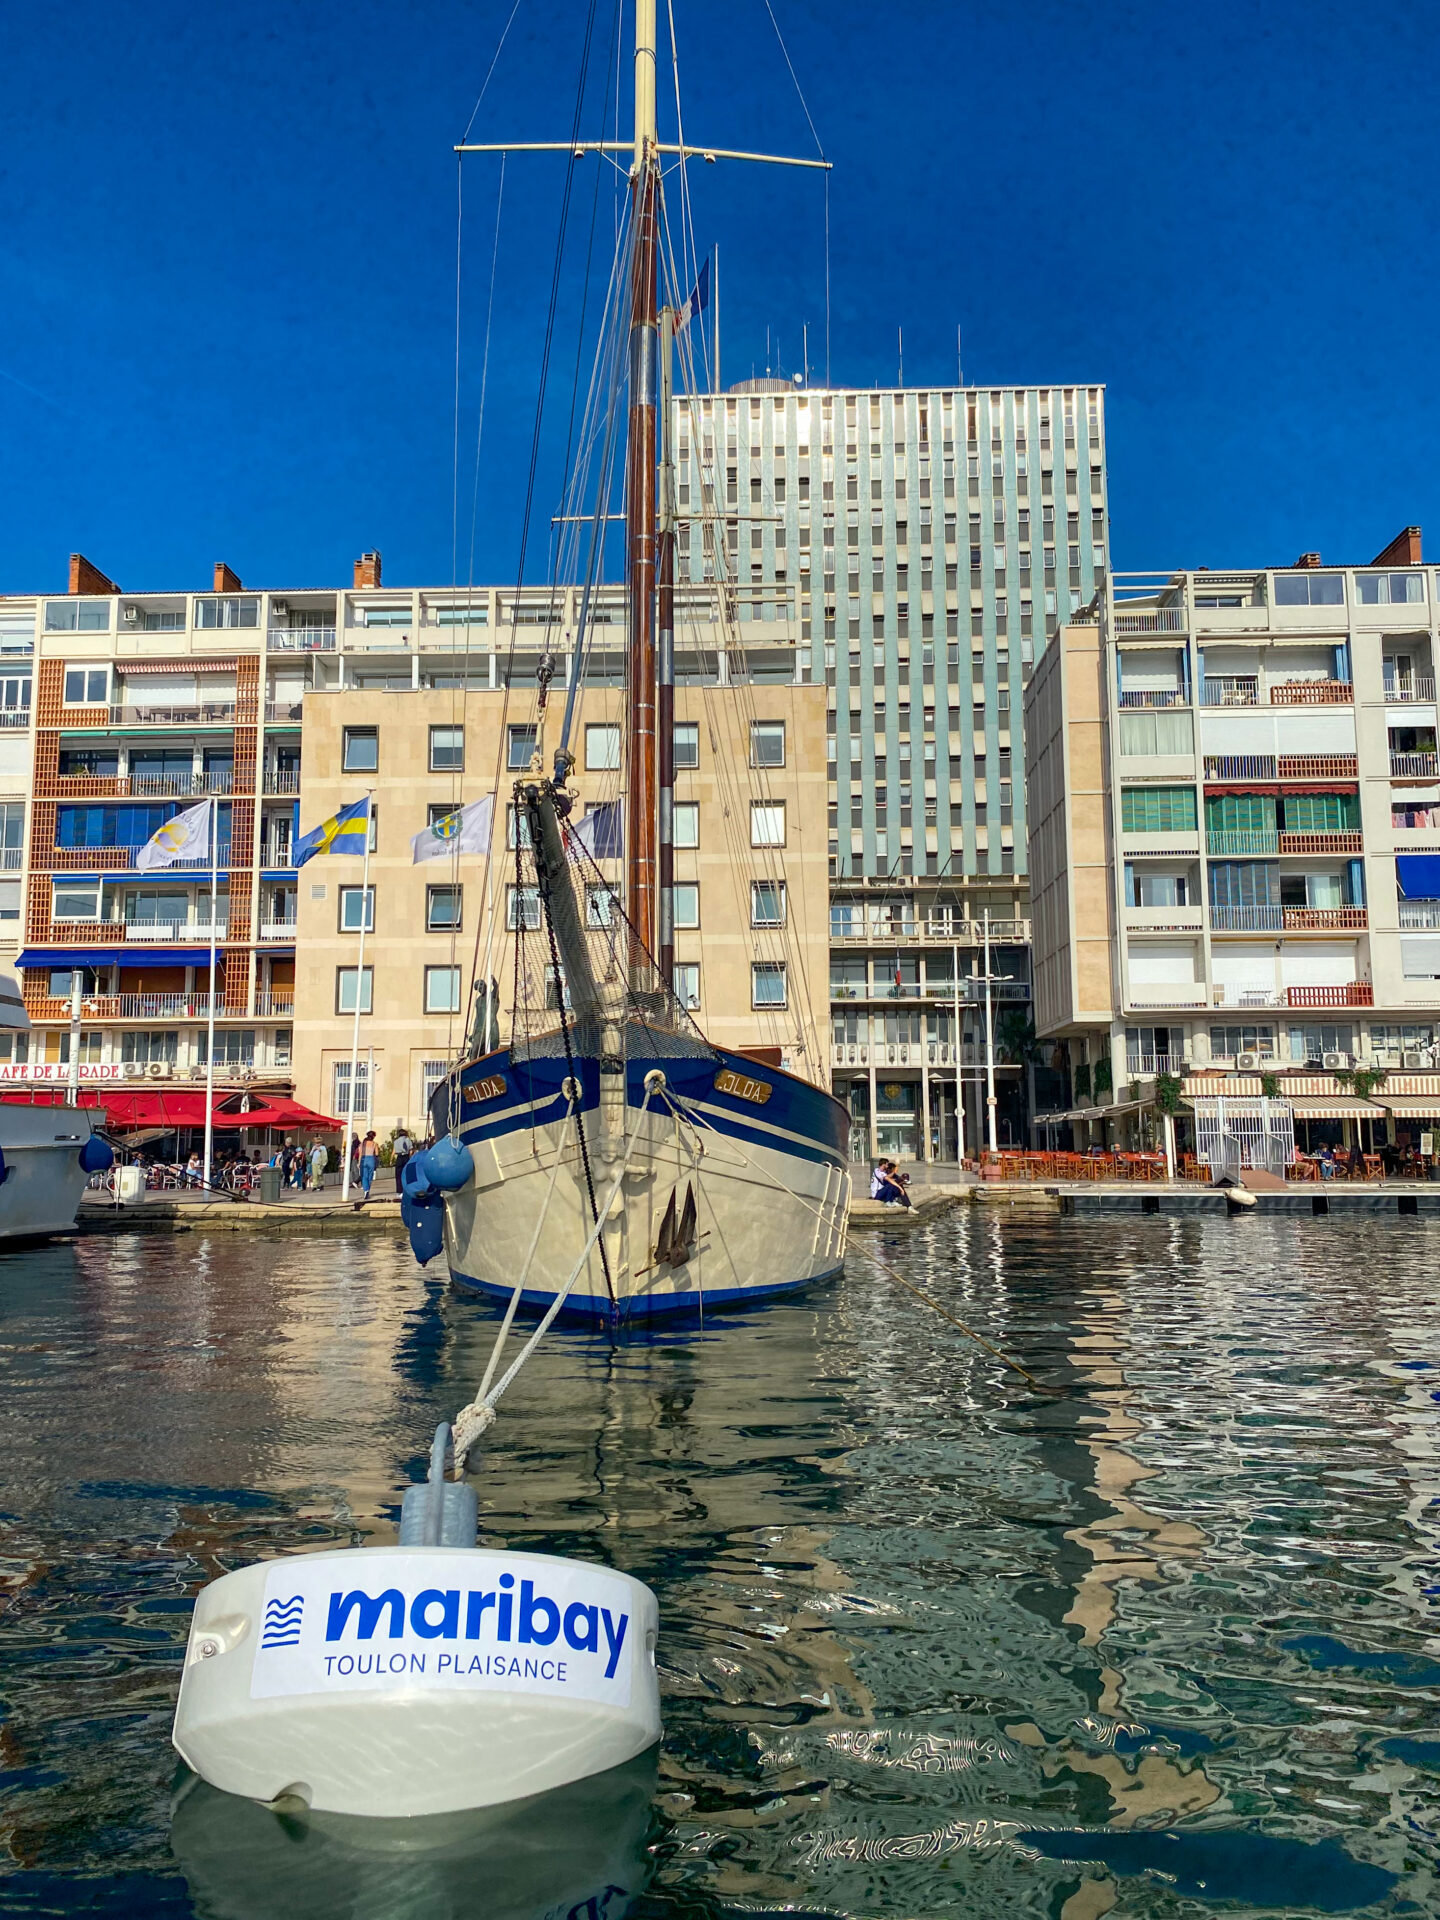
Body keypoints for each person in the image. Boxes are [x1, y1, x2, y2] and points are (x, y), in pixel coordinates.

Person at [392, 1125, 415, 1194]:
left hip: (399, 1157)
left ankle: (399, 1191)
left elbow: (394, 1151)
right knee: (407, 1174)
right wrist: (410, 1157)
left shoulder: (396, 1141)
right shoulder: (408, 1140)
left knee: (398, 1175)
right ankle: (407, 1190)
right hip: (406, 1157)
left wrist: (391, 1159)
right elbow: (411, 1150)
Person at [358, 1130, 378, 1200]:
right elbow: (377, 1154)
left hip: (364, 1159)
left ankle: (366, 1190)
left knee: (364, 1176)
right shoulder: (374, 1144)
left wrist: (359, 1162)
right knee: (370, 1176)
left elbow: (360, 1153)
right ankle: (368, 1189)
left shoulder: (362, 1144)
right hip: (371, 1159)